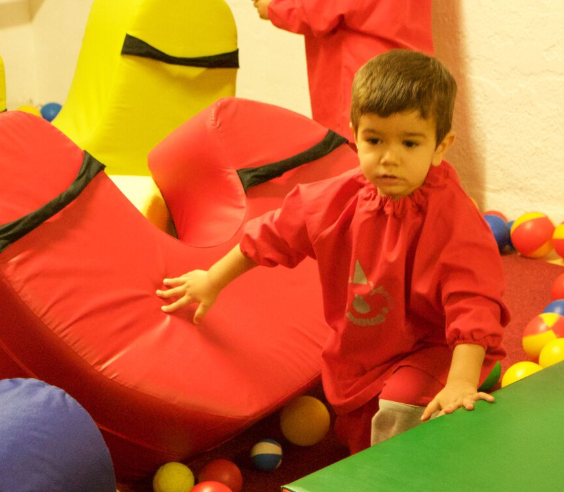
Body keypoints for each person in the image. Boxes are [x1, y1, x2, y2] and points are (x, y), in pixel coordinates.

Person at [157, 50, 509, 453]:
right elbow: (272, 234)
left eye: (410, 143)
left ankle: (432, 437)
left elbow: (473, 301)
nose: (389, 158)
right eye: (374, 140)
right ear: (354, 135)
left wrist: (461, 380)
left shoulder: (453, 220)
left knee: (402, 406)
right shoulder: (339, 198)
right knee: (356, 435)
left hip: (437, 348)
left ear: (440, 147)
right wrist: (211, 280)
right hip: (366, 352)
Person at [250, 0, 434, 144]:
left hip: (358, 80)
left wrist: (274, 6)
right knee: (396, 150)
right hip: (407, 82)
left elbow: (314, 12)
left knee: (355, 151)